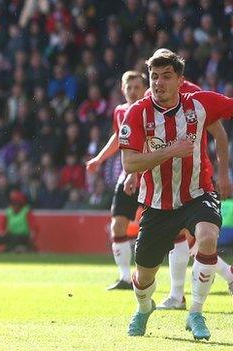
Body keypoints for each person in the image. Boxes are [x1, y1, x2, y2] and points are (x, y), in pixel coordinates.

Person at [119, 49, 233, 340]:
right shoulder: (138, 112)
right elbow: (129, 163)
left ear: (180, 80)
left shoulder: (200, 103)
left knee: (207, 237)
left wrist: (221, 172)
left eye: (166, 76)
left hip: (198, 193)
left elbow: (226, 118)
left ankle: (195, 312)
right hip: (157, 203)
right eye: (154, 77)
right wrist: (170, 150)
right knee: (144, 276)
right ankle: (144, 309)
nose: (158, 83)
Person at [86, 70, 148, 290]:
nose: (132, 91)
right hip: (128, 177)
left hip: (151, 176)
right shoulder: (120, 111)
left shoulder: (150, 111)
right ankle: (124, 278)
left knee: (174, 232)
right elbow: (117, 137)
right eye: (129, 88)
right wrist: (100, 159)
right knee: (117, 225)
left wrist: (135, 172)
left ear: (144, 89)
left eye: (137, 87)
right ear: (123, 90)